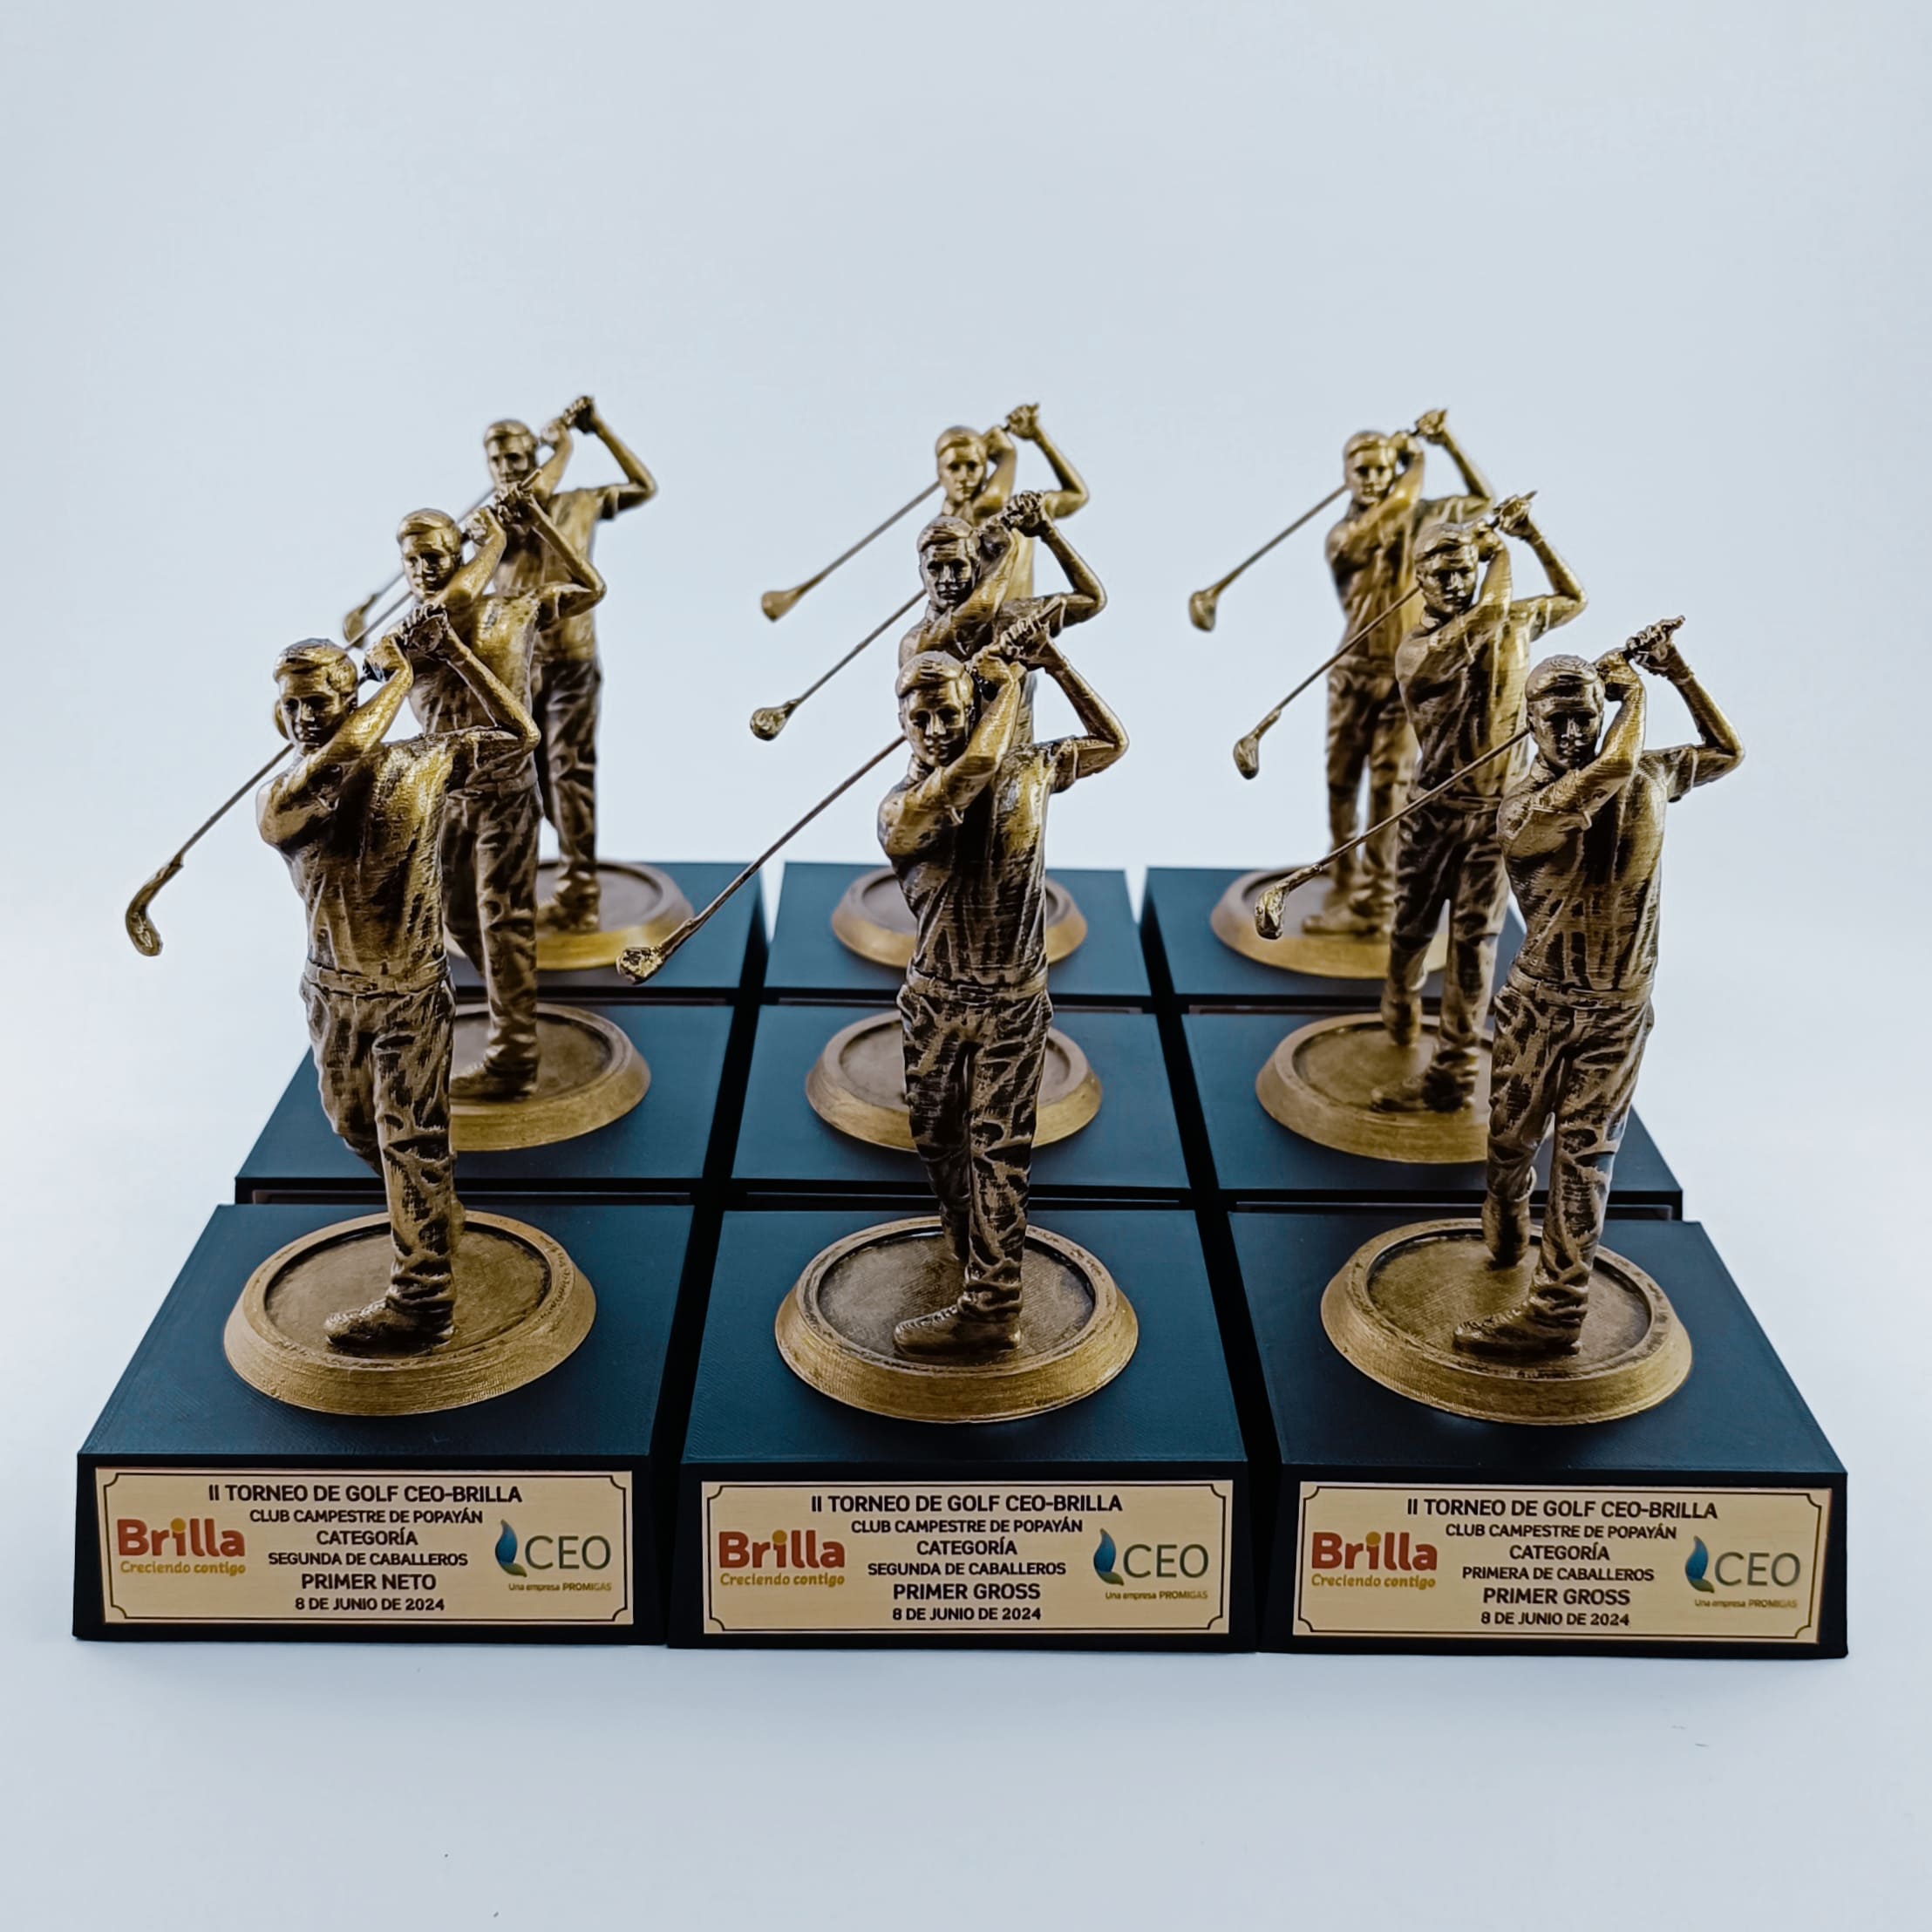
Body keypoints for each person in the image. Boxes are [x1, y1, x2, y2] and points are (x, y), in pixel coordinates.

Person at [1456, 622, 1743, 1358]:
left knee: (1585, 1160)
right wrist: (1634, 694)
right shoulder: (1523, 812)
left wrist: (1677, 671)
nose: (1573, 732)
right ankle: (1505, 1204)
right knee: (1512, 1138)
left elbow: (1725, 751)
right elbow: (1607, 772)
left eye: (1585, 715)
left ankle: (1556, 1310)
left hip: (1619, 1010)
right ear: (1529, 722)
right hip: (1540, 1005)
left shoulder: (1650, 774)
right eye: (1556, 720)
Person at [256, 608, 538, 1354]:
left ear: (349, 695)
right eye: (290, 703)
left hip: (411, 990)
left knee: (409, 1140)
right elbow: (341, 760)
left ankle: (422, 1299)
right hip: (332, 993)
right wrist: (402, 674)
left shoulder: (421, 762)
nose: (302, 716)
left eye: (317, 700)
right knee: (356, 1128)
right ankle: (433, 1211)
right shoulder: (282, 799)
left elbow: (519, 737)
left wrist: (456, 655)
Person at [880, 615, 1127, 1359]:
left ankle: (992, 1302)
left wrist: (1054, 661)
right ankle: (971, 1248)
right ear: (900, 722)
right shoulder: (903, 809)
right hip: (934, 1000)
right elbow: (976, 769)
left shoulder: (1031, 769)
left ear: (971, 709)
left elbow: (1111, 741)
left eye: (949, 713)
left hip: (1012, 1002)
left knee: (998, 1150)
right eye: (920, 718)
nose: (935, 729)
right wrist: (1010, 677)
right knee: (935, 1138)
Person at [1375, 494, 1586, 1114]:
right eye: (1441, 573)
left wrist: (1531, 535)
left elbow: (1572, 598)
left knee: (1474, 944)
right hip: (1433, 814)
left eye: (1463, 570)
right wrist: (1497, 548)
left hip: (1498, 819)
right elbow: (1489, 611)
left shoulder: (1514, 621)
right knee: (1412, 930)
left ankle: (1452, 1072)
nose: (1454, 583)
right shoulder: (1418, 650)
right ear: (1419, 579)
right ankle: (1399, 994)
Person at [391, 486, 604, 1099]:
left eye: (435, 557)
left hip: (507, 794)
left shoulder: (512, 611)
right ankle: (517, 1001)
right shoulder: (402, 640)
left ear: (459, 556)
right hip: (448, 799)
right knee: (458, 917)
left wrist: (535, 521)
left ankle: (514, 1050)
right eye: (413, 561)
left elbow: (590, 587)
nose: (423, 570)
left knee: (501, 916)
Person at [1304, 410, 1492, 936]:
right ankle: (1342, 871)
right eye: (1361, 470)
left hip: (1406, 677)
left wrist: (1448, 442)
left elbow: (1482, 500)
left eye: (1380, 469)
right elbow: (1399, 506)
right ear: (1346, 476)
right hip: (1352, 672)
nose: (1371, 479)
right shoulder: (1344, 535)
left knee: (1390, 787)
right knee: (1341, 779)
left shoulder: (1427, 519)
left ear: (1392, 470)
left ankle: (1373, 899)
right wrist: (1417, 460)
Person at [485, 395, 657, 934]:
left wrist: (596, 430)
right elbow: (522, 513)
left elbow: (643, 486)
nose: (508, 467)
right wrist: (560, 450)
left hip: (572, 660)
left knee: (568, 772)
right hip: (515, 667)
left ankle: (579, 889)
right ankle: (528, 881)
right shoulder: (495, 522)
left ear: (533, 457)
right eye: (498, 459)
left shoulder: (578, 502)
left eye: (517, 456)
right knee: (526, 781)